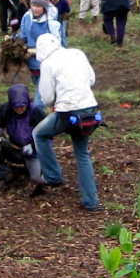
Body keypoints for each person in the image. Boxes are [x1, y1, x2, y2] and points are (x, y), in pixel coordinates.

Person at [32, 33, 100, 211]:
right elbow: (91, 79)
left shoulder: (47, 64)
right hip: (88, 111)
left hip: (66, 112)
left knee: (39, 134)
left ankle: (53, 176)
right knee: (82, 155)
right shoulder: (77, 53)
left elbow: (46, 98)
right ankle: (91, 202)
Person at [0, 84, 46, 192]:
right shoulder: (5, 110)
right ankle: (3, 173)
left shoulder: (36, 112)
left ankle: (28, 168)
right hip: (14, 148)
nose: (19, 109)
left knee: (35, 179)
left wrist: (33, 146)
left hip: (34, 153)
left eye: (22, 106)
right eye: (16, 107)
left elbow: (48, 136)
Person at [18, 0, 64, 100]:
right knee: (37, 83)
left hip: (46, 64)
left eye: (38, 6)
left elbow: (56, 45)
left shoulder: (52, 23)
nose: (35, 9)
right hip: (31, 62)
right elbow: (23, 35)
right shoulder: (27, 17)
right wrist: (11, 41)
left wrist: (36, 51)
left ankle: (41, 109)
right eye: (33, 5)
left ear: (44, 7)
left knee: (39, 99)